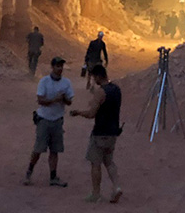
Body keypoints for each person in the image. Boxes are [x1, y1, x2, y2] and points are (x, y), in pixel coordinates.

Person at [71, 65, 123, 203]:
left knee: (95, 163)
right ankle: (117, 186)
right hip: (113, 131)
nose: (94, 80)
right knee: (109, 162)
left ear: (99, 76)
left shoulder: (101, 92)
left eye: (94, 77)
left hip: (101, 131)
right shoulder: (116, 90)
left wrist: (78, 112)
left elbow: (91, 113)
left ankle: (96, 193)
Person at [25, 57, 75, 187]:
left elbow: (70, 101)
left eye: (61, 66)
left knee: (55, 149)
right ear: (52, 67)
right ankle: (29, 171)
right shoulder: (44, 81)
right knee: (38, 148)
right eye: (58, 66)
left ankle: (53, 176)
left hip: (58, 120)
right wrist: (55, 99)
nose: (60, 69)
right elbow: (40, 100)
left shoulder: (66, 83)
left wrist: (63, 98)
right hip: (44, 119)